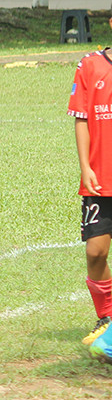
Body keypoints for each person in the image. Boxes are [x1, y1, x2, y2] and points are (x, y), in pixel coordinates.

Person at [68, 36, 112, 354]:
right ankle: (107, 317)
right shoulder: (90, 65)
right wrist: (85, 166)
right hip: (100, 179)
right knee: (96, 253)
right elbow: (81, 119)